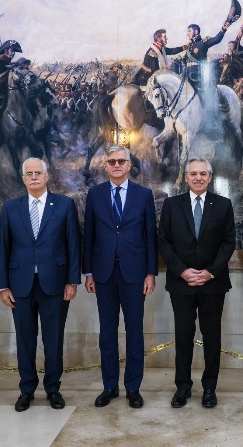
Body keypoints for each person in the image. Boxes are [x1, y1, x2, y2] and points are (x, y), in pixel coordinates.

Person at [0, 157, 81, 412]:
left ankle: (53, 389)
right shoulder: (11, 207)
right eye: (28, 173)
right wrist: (3, 286)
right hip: (20, 285)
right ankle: (27, 389)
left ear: (47, 177)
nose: (33, 177)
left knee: (53, 340)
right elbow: (4, 249)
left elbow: (73, 245)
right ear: (23, 179)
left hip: (55, 284)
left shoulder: (64, 205)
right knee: (25, 340)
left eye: (38, 173)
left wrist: (72, 281)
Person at [84, 146, 158, 409]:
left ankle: (133, 388)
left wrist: (151, 272)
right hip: (103, 273)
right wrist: (88, 271)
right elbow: (89, 235)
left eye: (121, 161)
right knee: (107, 333)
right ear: (105, 166)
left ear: (129, 165)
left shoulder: (144, 195)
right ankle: (109, 386)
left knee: (135, 332)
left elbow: (151, 237)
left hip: (135, 273)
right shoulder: (95, 195)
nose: (116, 165)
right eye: (111, 161)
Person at [158, 158, 235, 409]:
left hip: (213, 284)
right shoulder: (172, 205)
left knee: (212, 336)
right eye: (194, 174)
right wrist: (182, 271)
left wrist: (210, 272)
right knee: (183, 336)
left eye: (203, 173)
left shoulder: (223, 205)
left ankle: (210, 388)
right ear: (186, 177)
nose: (198, 177)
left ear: (210, 177)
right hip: (182, 284)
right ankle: (183, 387)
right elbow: (164, 242)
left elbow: (228, 242)